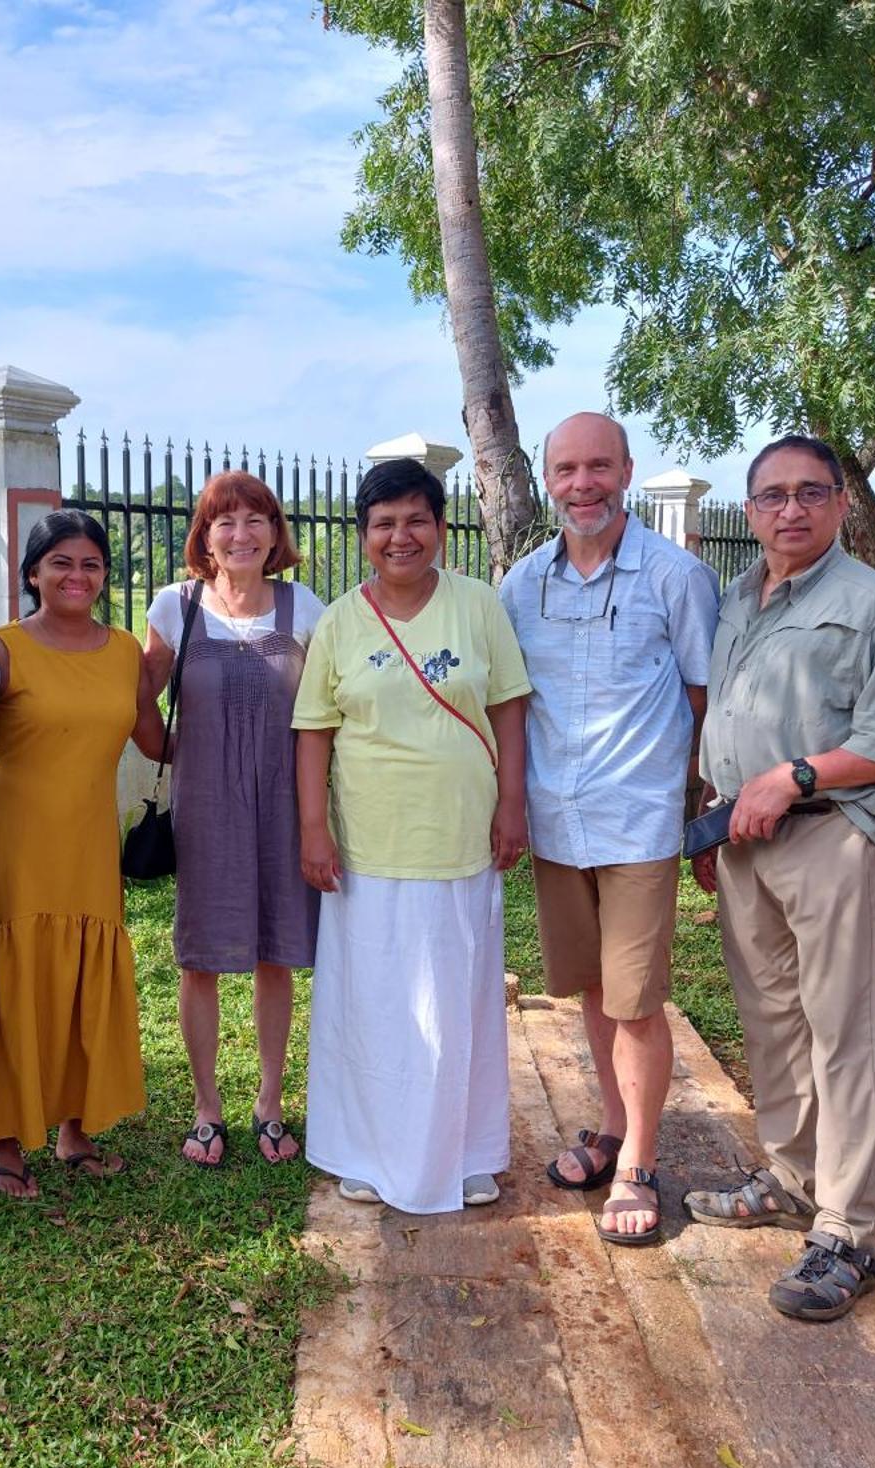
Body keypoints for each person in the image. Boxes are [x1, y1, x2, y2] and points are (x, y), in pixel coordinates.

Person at [685, 434, 875, 1321]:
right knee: (773, 1022)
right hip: (745, 842)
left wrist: (791, 778)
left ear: (838, 503)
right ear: (749, 511)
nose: (789, 510)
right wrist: (720, 815)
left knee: (844, 1034)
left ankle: (846, 1234)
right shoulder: (733, 601)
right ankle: (791, 1180)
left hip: (832, 837)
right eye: (771, 496)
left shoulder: (874, 607)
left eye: (808, 493)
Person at [498, 412, 719, 1247]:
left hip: (639, 825)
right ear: (549, 480)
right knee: (591, 991)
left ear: (627, 471)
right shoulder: (523, 585)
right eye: (566, 470)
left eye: (599, 466)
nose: (582, 484)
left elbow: (704, 701)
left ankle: (639, 1164)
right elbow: (514, 706)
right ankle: (614, 1126)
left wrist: (703, 807)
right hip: (558, 825)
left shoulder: (675, 576)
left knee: (635, 1003)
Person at [293, 456, 531, 1214]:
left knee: (458, 1002)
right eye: (384, 524)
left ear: (440, 525)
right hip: (367, 845)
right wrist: (313, 829)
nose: (401, 536)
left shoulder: (478, 607)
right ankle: (365, 1148)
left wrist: (511, 804)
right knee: (372, 1004)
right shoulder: (339, 620)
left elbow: (509, 709)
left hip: (460, 838)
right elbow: (313, 733)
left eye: (415, 519)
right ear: (364, 535)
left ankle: (464, 1152)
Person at [0, 510, 166, 1196]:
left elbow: (156, 739)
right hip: (16, 838)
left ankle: (75, 1130)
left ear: (105, 575)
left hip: (89, 840)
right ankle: (1, 1138)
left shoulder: (123, 653)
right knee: (14, 974)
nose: (76, 576)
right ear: (33, 573)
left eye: (90, 564)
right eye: (60, 563)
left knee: (85, 974)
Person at [141, 471, 325, 1168]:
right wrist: (181, 754)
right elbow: (139, 701)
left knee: (276, 954)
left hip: (284, 805)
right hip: (207, 808)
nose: (241, 533)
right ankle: (207, 1108)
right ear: (205, 537)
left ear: (275, 533)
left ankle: (270, 1104)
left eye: (256, 520)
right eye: (226, 522)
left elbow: (326, 713)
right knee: (201, 959)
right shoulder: (175, 608)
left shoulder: (304, 608)